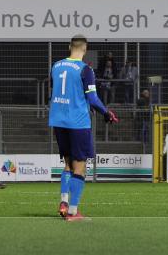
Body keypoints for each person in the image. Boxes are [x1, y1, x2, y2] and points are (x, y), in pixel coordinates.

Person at [49, 35, 118, 221]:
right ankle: (72, 212)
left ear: (69, 47)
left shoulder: (56, 66)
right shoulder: (85, 70)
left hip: (58, 120)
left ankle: (63, 201)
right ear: (85, 49)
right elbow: (93, 99)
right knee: (80, 168)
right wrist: (106, 113)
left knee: (68, 165)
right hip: (78, 123)